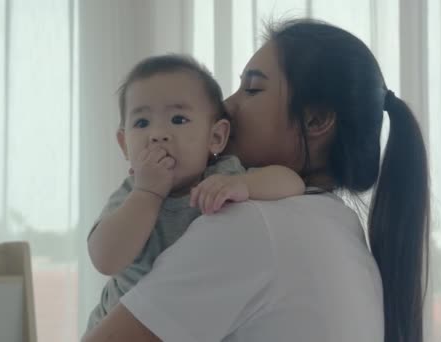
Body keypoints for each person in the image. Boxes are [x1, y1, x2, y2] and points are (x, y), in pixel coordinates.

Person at [83, 18, 429, 342]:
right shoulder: (339, 224)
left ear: (316, 120)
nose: (225, 106)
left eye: (251, 89)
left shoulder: (248, 222)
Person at [85, 54, 305, 330]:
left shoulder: (223, 176)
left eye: (178, 119)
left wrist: (245, 185)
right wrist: (147, 194)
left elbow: (291, 182)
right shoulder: (131, 194)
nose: (157, 134)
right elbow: (105, 259)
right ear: (124, 144)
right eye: (142, 123)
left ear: (215, 137)